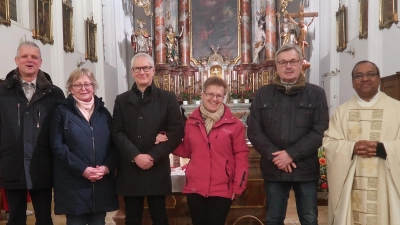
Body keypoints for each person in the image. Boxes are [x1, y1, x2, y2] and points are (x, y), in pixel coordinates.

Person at [247, 43, 329, 225]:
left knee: (309, 218)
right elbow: (254, 130)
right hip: (274, 168)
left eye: (293, 61)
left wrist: (291, 154)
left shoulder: (316, 94)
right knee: (273, 218)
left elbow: (320, 130)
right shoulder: (262, 94)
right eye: (283, 62)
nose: (288, 66)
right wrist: (276, 157)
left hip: (305, 168)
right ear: (276, 65)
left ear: (301, 63)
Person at [157, 77, 249, 225]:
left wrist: (238, 186)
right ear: (203, 95)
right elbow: (187, 151)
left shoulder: (235, 125)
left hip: (222, 188)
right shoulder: (191, 122)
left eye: (219, 95)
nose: (214, 99)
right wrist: (168, 140)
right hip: (196, 187)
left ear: (224, 97)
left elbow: (241, 156)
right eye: (210, 94)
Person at [322, 60, 400, 225]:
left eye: (370, 74)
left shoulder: (397, 109)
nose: (365, 79)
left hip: (385, 183)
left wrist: (384, 148)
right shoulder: (341, 112)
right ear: (352, 83)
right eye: (359, 76)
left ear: (379, 79)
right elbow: (329, 143)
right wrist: (352, 147)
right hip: (353, 183)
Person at [112, 53, 184, 225]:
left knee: (159, 217)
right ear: (132, 71)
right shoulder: (121, 100)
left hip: (156, 167)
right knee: (132, 218)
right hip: (130, 167)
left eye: (146, 68)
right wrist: (136, 156)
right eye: (138, 68)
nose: (142, 72)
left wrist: (152, 156)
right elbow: (117, 132)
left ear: (153, 70)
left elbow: (176, 132)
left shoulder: (168, 98)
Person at [0, 41, 65, 225]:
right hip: (12, 163)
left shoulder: (54, 93)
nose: (29, 60)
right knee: (16, 218)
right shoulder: (3, 92)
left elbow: (62, 129)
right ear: (16, 60)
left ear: (40, 62)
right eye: (24, 56)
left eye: (34, 57)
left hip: (42, 164)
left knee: (44, 218)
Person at [50, 68, 119, 225]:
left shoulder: (104, 113)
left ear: (94, 87)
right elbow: (57, 146)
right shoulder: (61, 112)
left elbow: (115, 146)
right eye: (78, 85)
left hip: (101, 182)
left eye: (87, 84)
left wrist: (107, 167)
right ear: (70, 89)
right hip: (73, 183)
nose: (83, 88)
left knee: (98, 222)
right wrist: (82, 169)